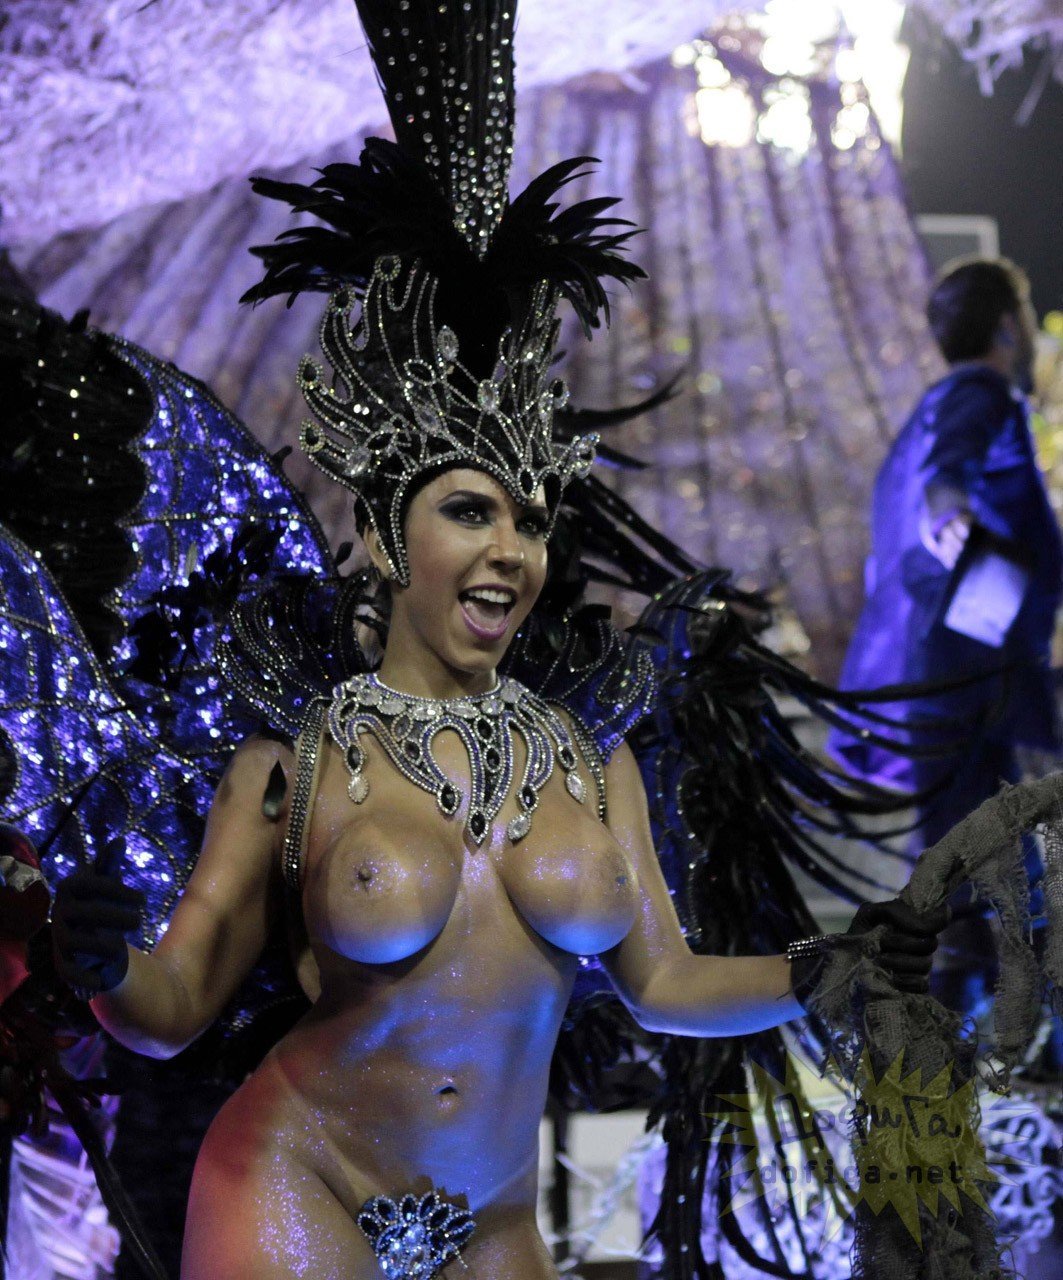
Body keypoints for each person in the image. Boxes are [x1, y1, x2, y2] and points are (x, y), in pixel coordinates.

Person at [29, 4, 949, 1278]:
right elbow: (172, 1008)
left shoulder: (590, 761)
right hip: (299, 1178)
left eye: (531, 518)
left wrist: (833, 965)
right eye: (471, 511)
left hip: (496, 1216)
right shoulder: (293, 763)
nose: (512, 549)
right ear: (387, 537)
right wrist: (102, 962)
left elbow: (666, 985)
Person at [830, 257, 1063, 1012]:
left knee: (962, 859)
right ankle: (968, 1028)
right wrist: (950, 511)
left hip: (952, 678)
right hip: (975, 682)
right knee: (992, 859)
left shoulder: (927, 408)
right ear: (1007, 326)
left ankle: (957, 1024)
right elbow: (947, 473)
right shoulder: (979, 392)